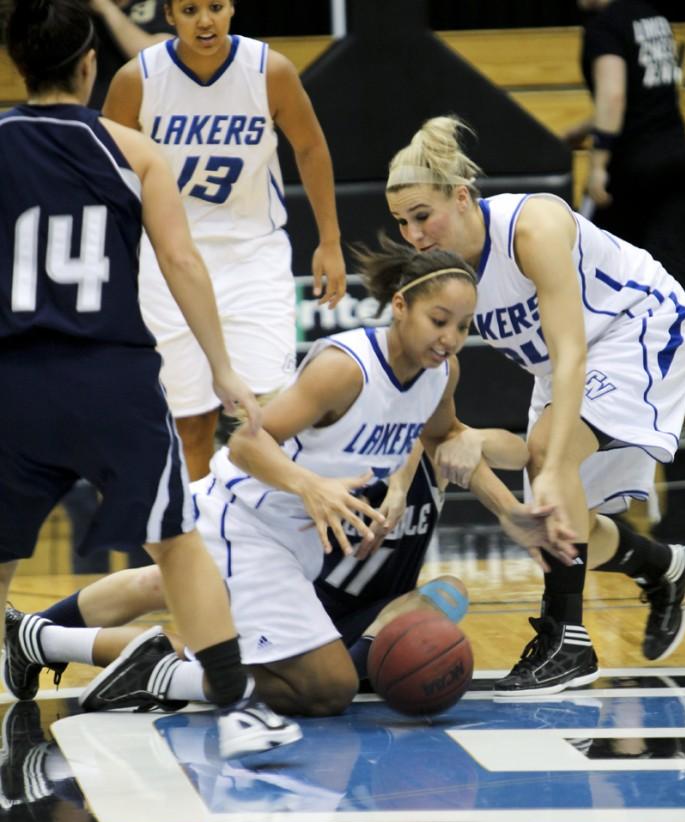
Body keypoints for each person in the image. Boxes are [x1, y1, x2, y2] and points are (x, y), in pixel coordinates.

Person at [11, 240, 574, 717]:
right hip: (248, 523)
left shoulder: (440, 372)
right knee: (327, 689)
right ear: (400, 306)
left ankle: (40, 638)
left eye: (463, 326)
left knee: (202, 619)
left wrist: (510, 515)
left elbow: (447, 437)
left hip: (295, 540)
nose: (450, 337)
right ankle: (159, 673)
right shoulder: (344, 369)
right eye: (439, 320)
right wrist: (312, 486)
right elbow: (243, 445)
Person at [0, 0, 302, 759]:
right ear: (89, 64)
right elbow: (181, 262)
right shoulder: (133, 149)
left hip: (15, 377)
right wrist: (224, 369)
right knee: (175, 540)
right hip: (110, 373)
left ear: (17, 64)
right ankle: (235, 707)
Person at [386, 114, 685, 698]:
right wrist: (400, 476)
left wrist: (550, 462)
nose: (414, 235)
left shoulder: (533, 226)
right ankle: (663, 567)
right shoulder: (438, 271)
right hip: (564, 363)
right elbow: (426, 369)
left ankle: (567, 641)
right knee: (567, 529)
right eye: (402, 223)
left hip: (636, 327)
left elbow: (572, 348)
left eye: (423, 217)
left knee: (550, 459)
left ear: (464, 197)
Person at [101, 0, 346, 479]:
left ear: (234, 7)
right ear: (168, 15)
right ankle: (200, 539)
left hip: (253, 254)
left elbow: (311, 146)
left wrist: (330, 241)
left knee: (269, 414)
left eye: (215, 6)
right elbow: (106, 171)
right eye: (190, 10)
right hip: (166, 261)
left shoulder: (268, 69)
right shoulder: (137, 79)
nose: (206, 21)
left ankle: (264, 528)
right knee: (188, 423)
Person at [565, 0, 685, 289]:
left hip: (632, 167)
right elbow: (641, 97)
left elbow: (614, 96)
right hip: (675, 157)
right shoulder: (652, 17)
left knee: (593, 259)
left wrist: (598, 164)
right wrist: (580, 129)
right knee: (671, 264)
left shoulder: (605, 26)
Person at [86, 0, 171, 111]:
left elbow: (157, 57)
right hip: (90, 110)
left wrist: (105, 6)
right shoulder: (76, 7)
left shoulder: (161, 5)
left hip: (142, 111)